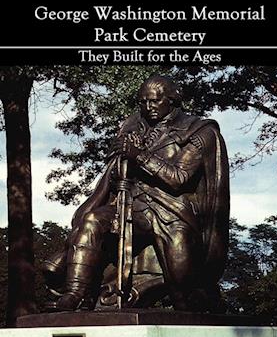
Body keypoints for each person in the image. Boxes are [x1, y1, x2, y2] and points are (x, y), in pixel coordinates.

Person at [43, 74, 230, 312]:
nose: (148, 107)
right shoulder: (133, 126)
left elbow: (179, 178)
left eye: (155, 101)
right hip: (134, 206)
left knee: (184, 293)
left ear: (172, 100)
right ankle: (76, 295)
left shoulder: (198, 130)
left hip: (173, 213)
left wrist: (138, 156)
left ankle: (198, 300)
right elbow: (115, 173)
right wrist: (117, 165)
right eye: (143, 102)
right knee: (92, 221)